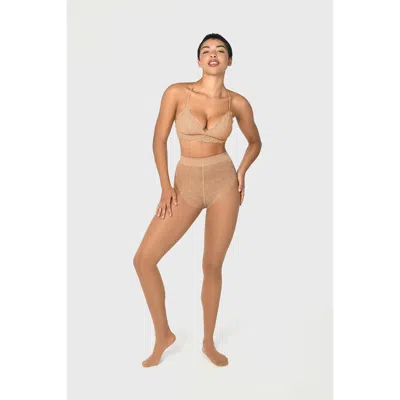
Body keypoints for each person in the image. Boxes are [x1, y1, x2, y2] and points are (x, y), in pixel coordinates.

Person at [133, 33, 262, 367]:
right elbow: (159, 140)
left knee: (212, 265)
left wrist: (242, 172)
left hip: (223, 183)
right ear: (199, 60)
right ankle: (163, 335)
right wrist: (165, 186)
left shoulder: (238, 103)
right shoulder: (177, 93)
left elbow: (255, 142)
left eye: (220, 50)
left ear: (229, 60)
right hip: (184, 184)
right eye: (206, 50)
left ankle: (208, 342)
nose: (212, 54)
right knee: (144, 260)